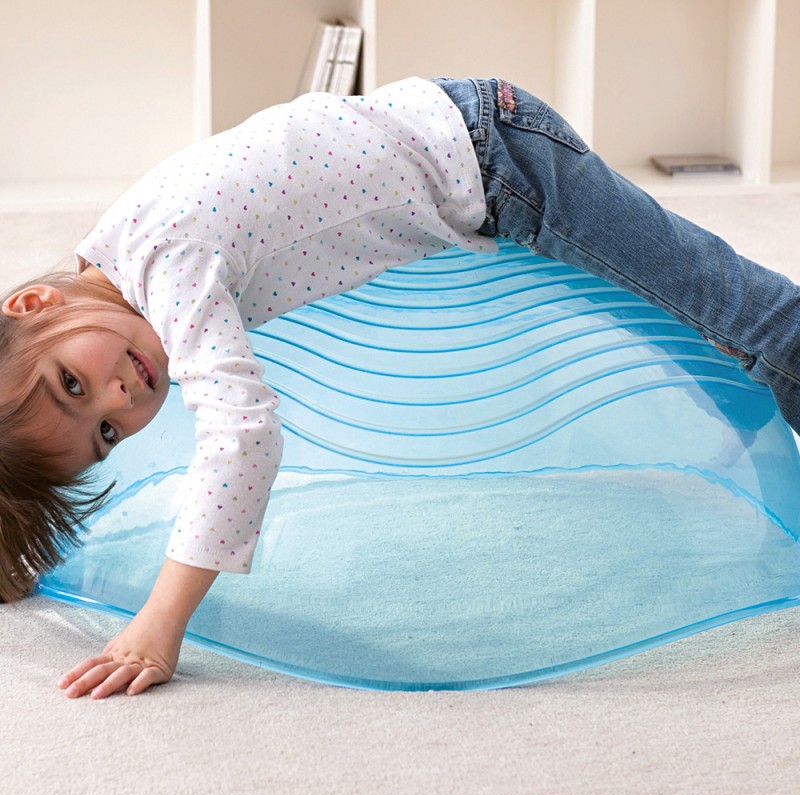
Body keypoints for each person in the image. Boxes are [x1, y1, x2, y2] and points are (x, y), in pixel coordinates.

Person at [1, 77, 798, 699]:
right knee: (714, 306)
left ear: (34, 303)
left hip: (505, 159)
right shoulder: (122, 251)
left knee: (737, 313)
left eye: (73, 383)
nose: (120, 401)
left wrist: (158, 623)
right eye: (105, 433)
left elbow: (241, 434)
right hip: (470, 135)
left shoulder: (165, 264)